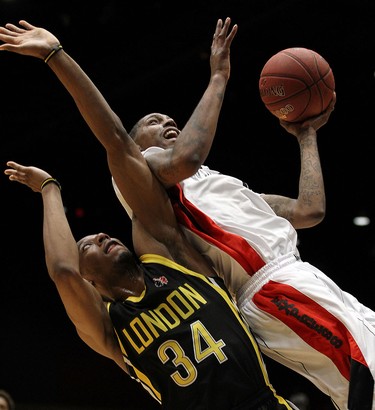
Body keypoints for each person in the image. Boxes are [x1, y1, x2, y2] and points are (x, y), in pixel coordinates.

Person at [0, 16, 373, 410]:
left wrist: (306, 136)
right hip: (269, 288)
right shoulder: (155, 189)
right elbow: (158, 150)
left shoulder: (219, 189)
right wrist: (218, 77)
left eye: (168, 118)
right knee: (366, 370)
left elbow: (308, 210)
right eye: (152, 121)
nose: (167, 121)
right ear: (135, 148)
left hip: (295, 282)